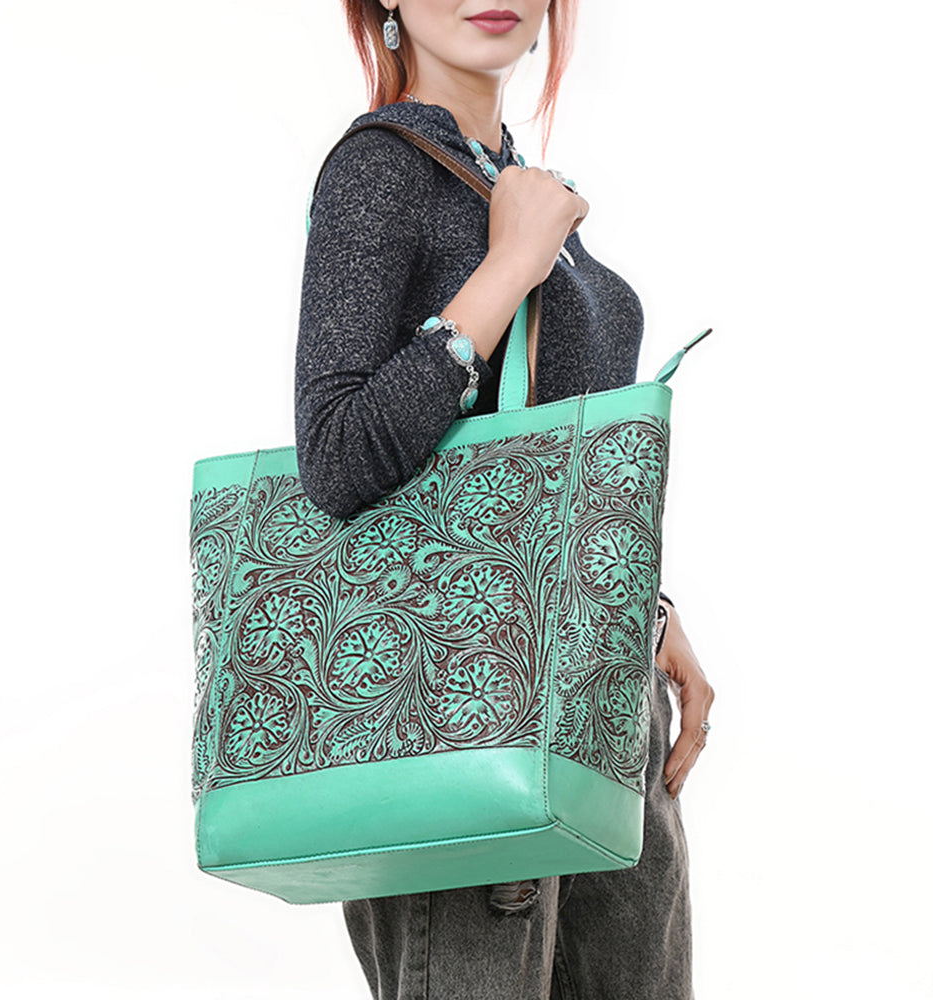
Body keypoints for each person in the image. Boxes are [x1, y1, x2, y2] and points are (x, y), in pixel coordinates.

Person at [294, 2, 715, 997]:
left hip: (604, 716)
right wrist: (509, 266)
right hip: (458, 710)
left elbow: (539, 479)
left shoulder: (521, 183)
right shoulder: (380, 168)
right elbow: (338, 456)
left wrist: (647, 609)